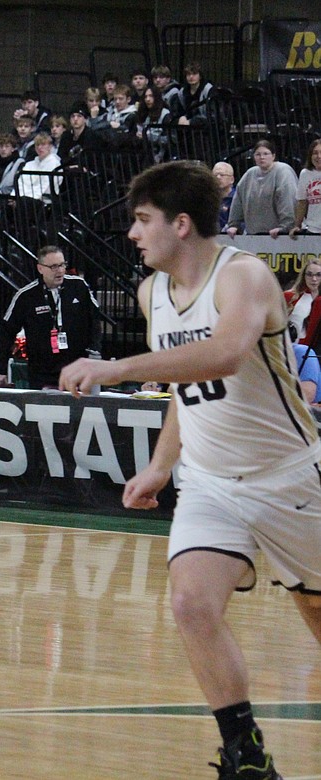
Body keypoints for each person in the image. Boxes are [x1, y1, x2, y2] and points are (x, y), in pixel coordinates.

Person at [58, 160, 321, 780]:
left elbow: (226, 354)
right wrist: (158, 466)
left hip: (288, 476)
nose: (133, 233)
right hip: (208, 480)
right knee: (190, 604)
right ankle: (246, 754)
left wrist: (118, 368)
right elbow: (183, 382)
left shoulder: (244, 276)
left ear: (181, 224)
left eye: (143, 220)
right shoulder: (154, 293)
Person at [0, 246, 100, 389]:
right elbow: (6, 332)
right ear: (40, 268)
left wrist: (95, 350)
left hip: (77, 367)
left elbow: (95, 320)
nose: (59, 270)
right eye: (53, 266)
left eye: (62, 265)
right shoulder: (26, 295)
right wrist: (0, 368)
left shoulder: (79, 286)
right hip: (42, 372)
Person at [226, 140, 297, 238]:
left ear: (273, 156)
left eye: (265, 154)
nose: (262, 157)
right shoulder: (249, 174)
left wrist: (285, 227)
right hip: (254, 236)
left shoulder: (283, 171)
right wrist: (234, 225)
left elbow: (288, 201)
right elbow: (238, 200)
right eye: (258, 154)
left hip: (279, 236)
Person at [284, 259, 321, 343]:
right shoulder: (290, 296)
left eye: (318, 275)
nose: (314, 279)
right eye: (309, 274)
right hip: (293, 349)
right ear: (304, 276)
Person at [290, 138, 321, 236]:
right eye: (315, 153)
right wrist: (297, 225)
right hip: (313, 229)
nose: (319, 156)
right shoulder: (305, 174)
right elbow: (302, 202)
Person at [176, 62, 214, 127]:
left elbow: (212, 115)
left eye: (194, 74)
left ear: (200, 76)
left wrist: (192, 122)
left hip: (206, 126)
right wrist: (182, 117)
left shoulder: (208, 89)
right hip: (188, 126)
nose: (191, 77)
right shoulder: (182, 92)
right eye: (188, 74)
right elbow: (180, 111)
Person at [213, 161, 236, 232]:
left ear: (232, 179)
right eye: (215, 175)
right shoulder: (208, 198)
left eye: (222, 175)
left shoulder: (238, 198)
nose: (218, 177)